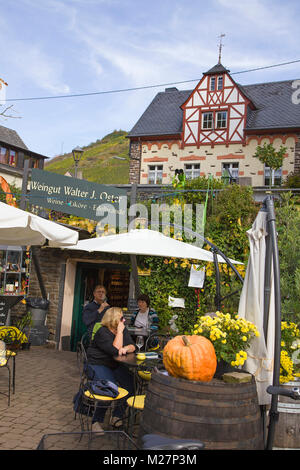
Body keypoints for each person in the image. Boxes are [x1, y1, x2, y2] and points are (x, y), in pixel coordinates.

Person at [86, 307, 136, 433]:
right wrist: (119, 333)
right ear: (114, 319)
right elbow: (115, 350)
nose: (124, 320)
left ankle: (116, 416)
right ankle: (96, 421)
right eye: (122, 318)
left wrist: (126, 349)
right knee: (110, 387)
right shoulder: (102, 332)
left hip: (114, 364)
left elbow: (132, 346)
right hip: (98, 363)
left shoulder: (122, 330)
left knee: (131, 383)